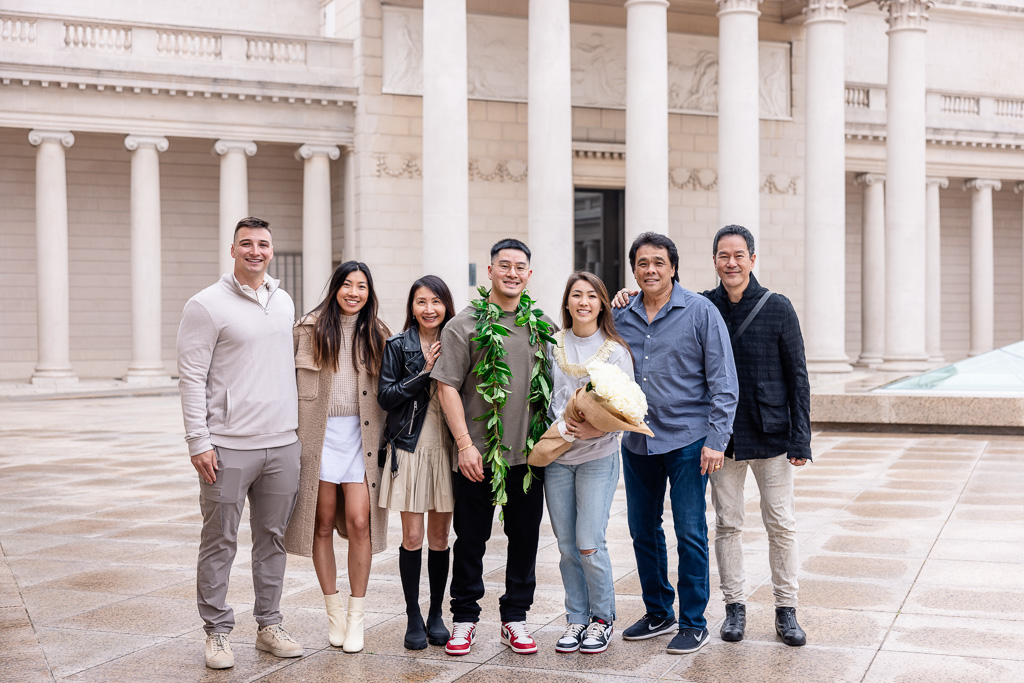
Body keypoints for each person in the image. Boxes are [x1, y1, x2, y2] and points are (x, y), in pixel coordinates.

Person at [176, 216, 304, 670]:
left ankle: (269, 624)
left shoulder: (283, 300)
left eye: (263, 244)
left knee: (272, 540)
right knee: (219, 541)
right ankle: (216, 632)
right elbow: (191, 376)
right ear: (232, 250)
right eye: (246, 243)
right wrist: (198, 440)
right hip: (227, 446)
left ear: (271, 250)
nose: (255, 250)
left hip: (282, 443)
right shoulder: (205, 305)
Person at [609, 232, 738, 655]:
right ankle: (658, 611)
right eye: (643, 263)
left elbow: (723, 382)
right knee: (642, 529)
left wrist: (716, 440)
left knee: (690, 531)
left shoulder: (700, 312)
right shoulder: (623, 315)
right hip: (638, 438)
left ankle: (693, 621)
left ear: (674, 267)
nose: (651, 270)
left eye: (659, 263)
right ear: (634, 270)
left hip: (688, 440)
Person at [430, 238, 556, 657]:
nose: (512, 273)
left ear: (529, 275)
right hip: (477, 456)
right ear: (490, 271)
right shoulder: (463, 324)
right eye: (504, 265)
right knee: (470, 540)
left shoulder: (543, 326)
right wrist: (464, 444)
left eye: (520, 267)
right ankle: (464, 619)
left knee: (525, 540)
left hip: (530, 457)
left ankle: (515, 618)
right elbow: (446, 386)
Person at [703, 225, 810, 647]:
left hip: (772, 435)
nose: (731, 262)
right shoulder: (702, 305)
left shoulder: (778, 307)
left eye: (739, 255)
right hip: (722, 438)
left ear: (752, 259)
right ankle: (734, 608)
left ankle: (787, 610)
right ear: (714, 261)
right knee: (728, 524)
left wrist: (801, 439)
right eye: (723, 255)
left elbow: (798, 376)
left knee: (781, 523)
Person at [283, 261, 390, 654]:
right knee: (322, 521)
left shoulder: (379, 334)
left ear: (369, 293)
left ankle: (357, 615)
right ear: (335, 288)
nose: (354, 293)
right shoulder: (306, 330)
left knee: (361, 521)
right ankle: (333, 612)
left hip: (360, 438)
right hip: (320, 437)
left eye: (362, 286)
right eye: (347, 284)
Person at [545, 272, 634, 655]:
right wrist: (561, 426)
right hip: (557, 457)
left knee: (589, 544)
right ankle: (576, 617)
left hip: (598, 458)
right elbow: (544, 395)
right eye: (576, 295)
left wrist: (597, 430)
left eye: (591, 296)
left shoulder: (615, 350)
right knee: (566, 545)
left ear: (601, 303)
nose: (583, 302)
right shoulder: (553, 344)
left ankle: (602, 619)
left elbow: (627, 410)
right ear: (566, 303)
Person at [377, 276, 457, 651]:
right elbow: (386, 397)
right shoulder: (397, 345)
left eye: (436, 301)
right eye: (421, 302)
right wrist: (423, 373)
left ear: (446, 305)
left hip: (447, 450)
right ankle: (413, 615)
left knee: (441, 538)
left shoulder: (457, 342)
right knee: (413, 537)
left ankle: (437, 613)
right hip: (408, 449)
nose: (429, 309)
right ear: (412, 307)